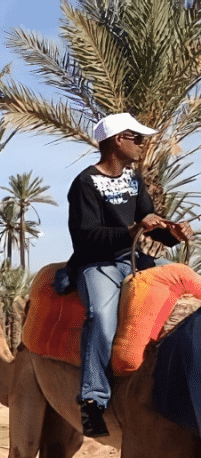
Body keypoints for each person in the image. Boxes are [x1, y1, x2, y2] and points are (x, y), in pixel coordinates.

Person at [57, 113, 191, 437]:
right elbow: (85, 237)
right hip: (96, 264)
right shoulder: (85, 184)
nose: (142, 145)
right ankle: (92, 400)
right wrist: (132, 229)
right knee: (100, 316)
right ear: (119, 140)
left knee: (189, 284)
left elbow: (148, 219)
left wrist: (173, 233)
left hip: (135, 260)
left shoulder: (133, 180)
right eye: (137, 138)